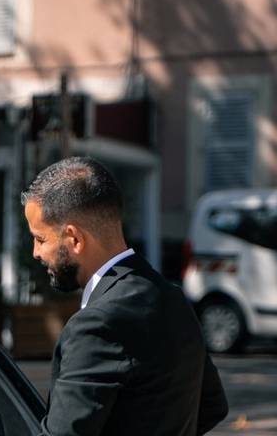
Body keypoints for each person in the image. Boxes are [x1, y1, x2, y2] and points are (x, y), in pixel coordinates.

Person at [22, 157, 228, 436]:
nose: (36, 252)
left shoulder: (96, 325)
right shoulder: (173, 298)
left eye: (41, 239)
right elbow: (213, 407)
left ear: (74, 239)